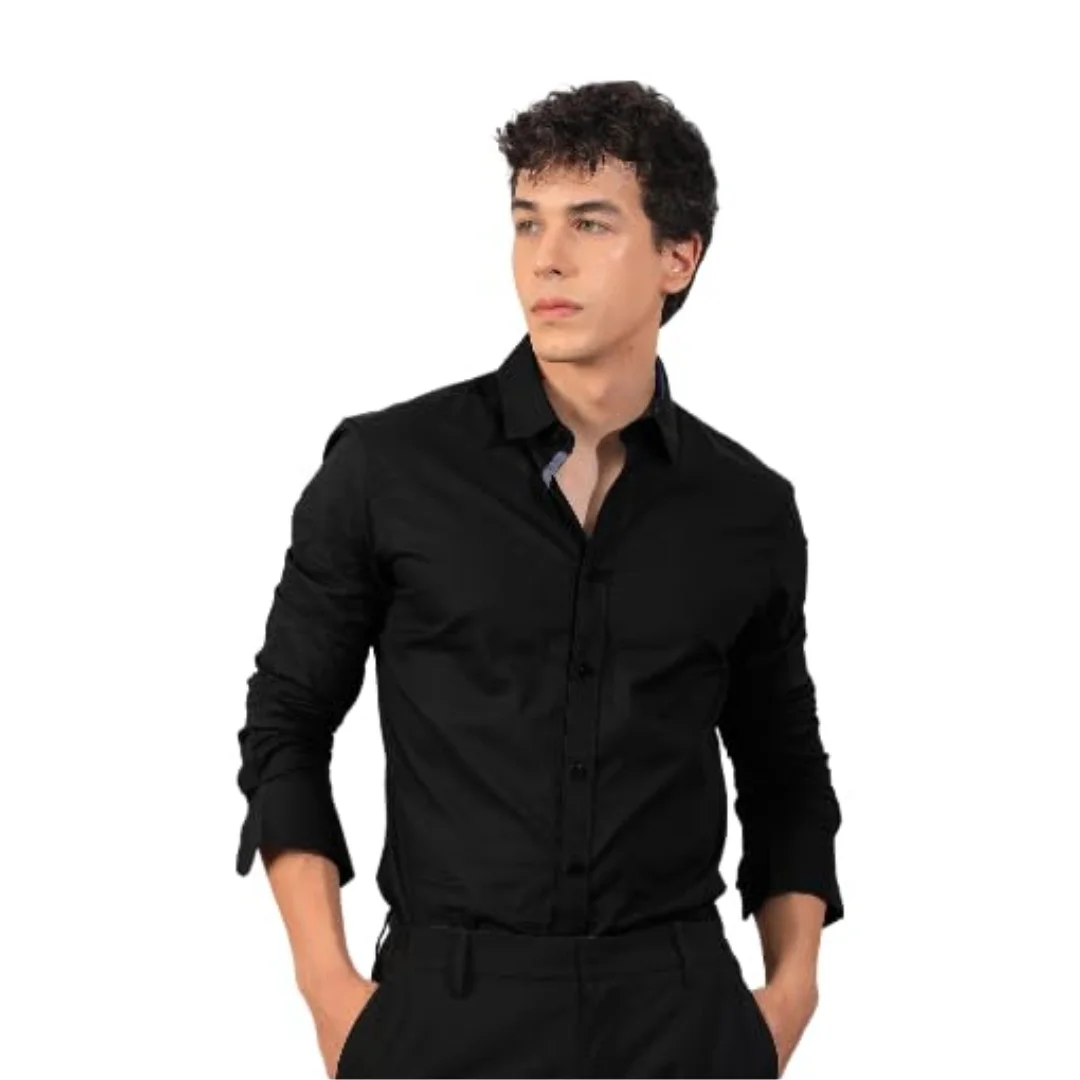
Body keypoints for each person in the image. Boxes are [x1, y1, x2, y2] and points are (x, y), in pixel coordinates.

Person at [234, 79, 844, 1078]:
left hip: (681, 1018)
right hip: (444, 1013)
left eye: (590, 224)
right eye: (528, 222)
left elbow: (784, 768)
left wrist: (790, 993)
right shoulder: (387, 471)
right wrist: (330, 990)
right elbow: (286, 724)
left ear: (679, 257)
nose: (545, 258)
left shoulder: (748, 508)